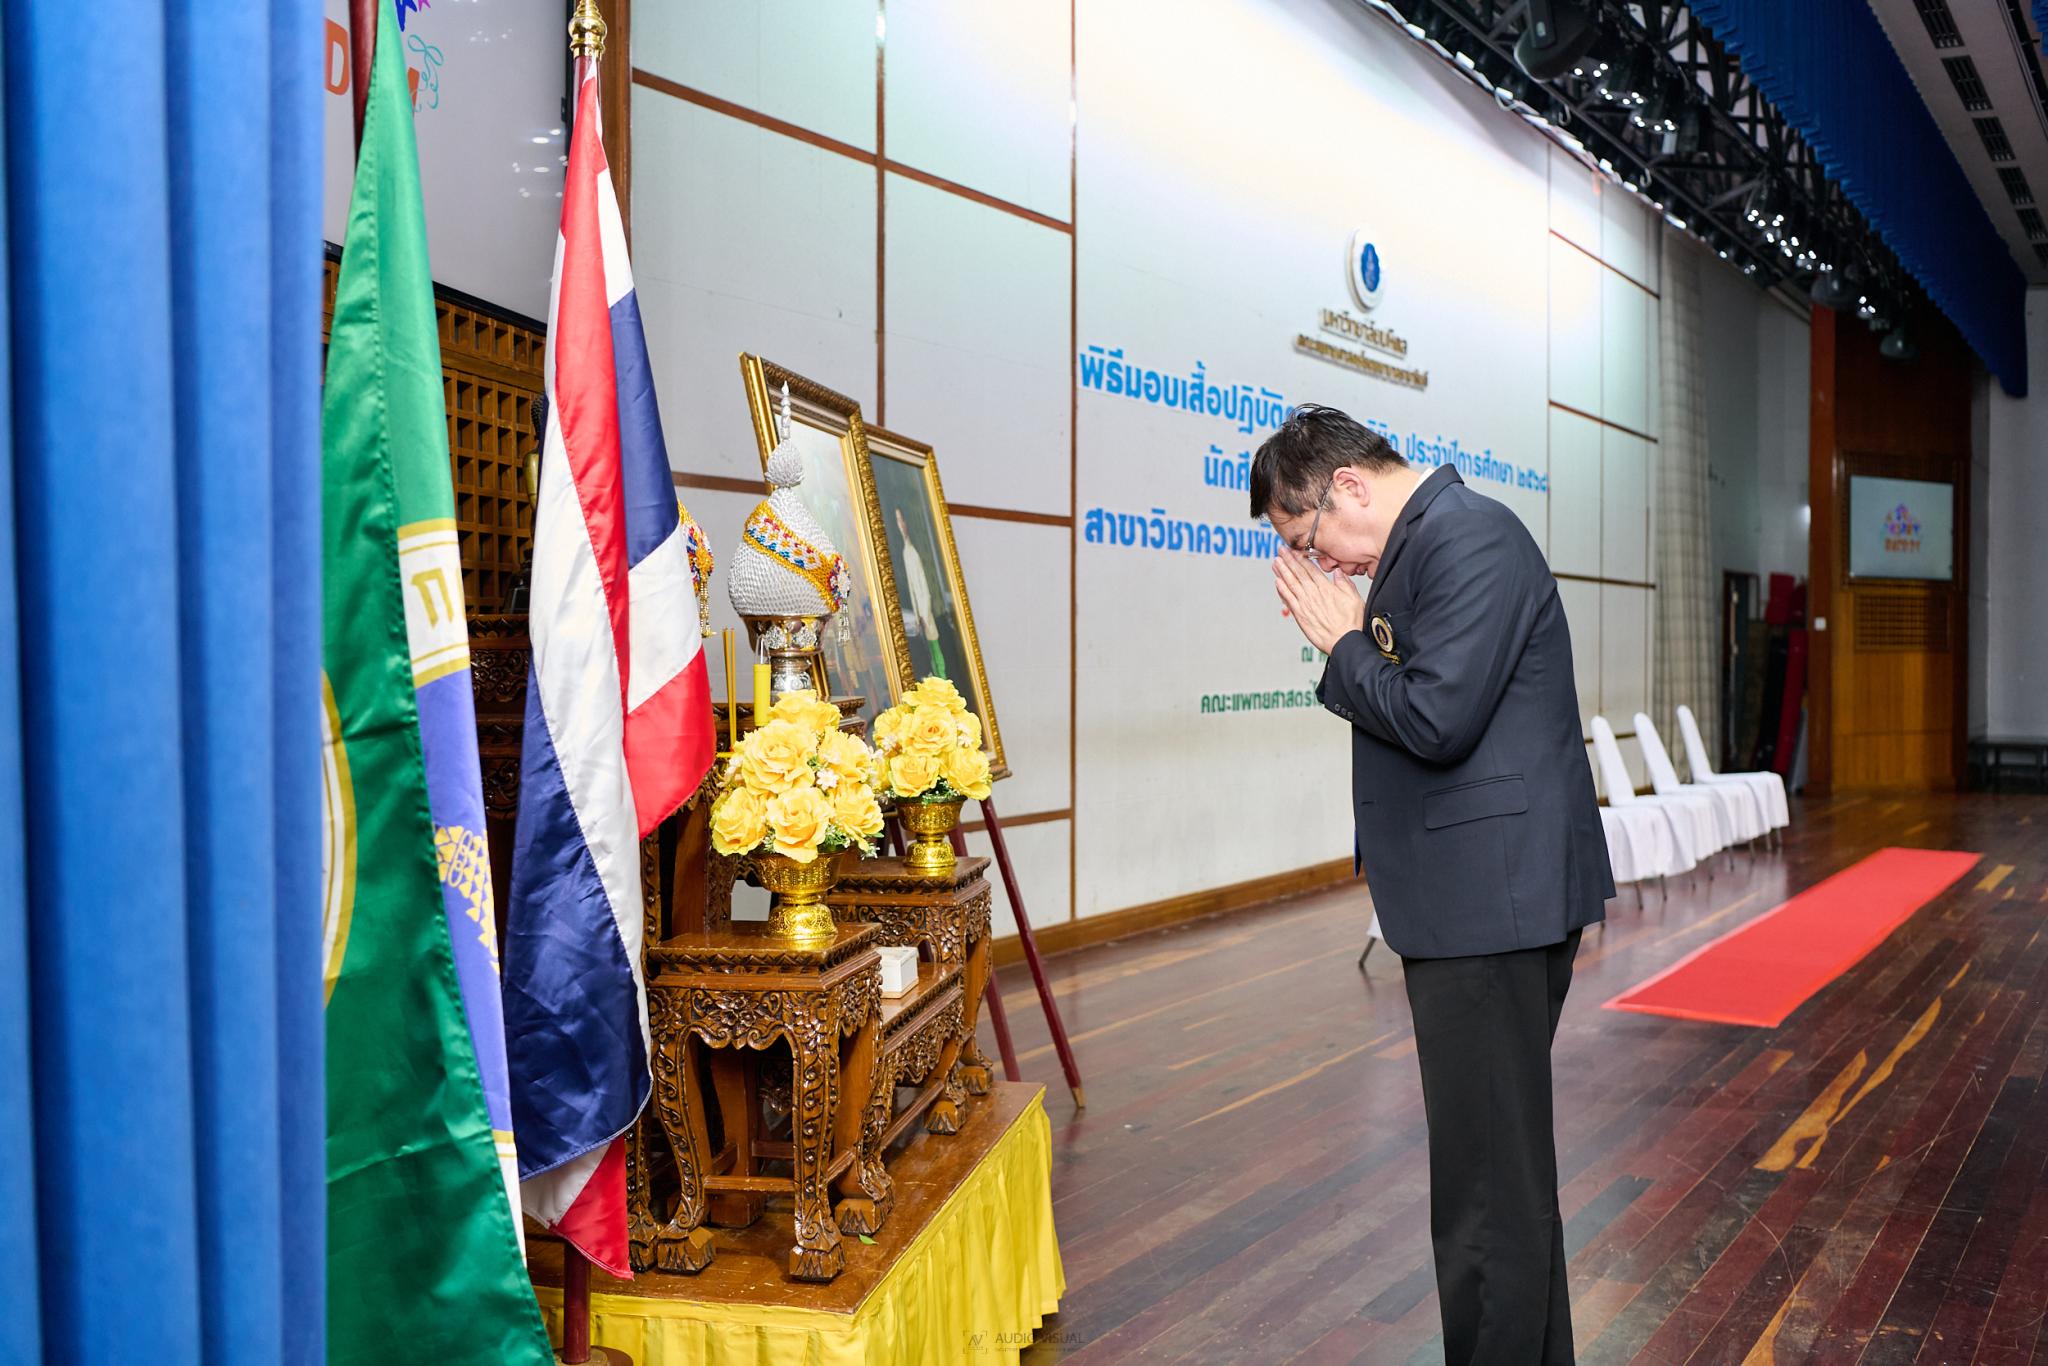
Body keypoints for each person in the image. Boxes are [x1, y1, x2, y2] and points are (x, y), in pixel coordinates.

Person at [1253, 404, 1611, 1365]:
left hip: (1489, 904)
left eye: (1309, 541)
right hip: (1478, 901)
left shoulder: (1467, 538)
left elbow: (1437, 720)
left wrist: (1343, 644)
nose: (1322, 566)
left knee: (1485, 1197)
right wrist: (1352, 640)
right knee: (1502, 1179)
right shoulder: (1434, 543)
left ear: (1349, 487)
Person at [894, 506, 948, 678]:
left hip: (928, 612)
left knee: (936, 651)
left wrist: (924, 614)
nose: (901, 525)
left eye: (902, 520)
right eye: (897, 521)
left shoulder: (913, 551)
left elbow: (923, 586)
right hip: (921, 615)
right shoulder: (905, 551)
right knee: (931, 654)